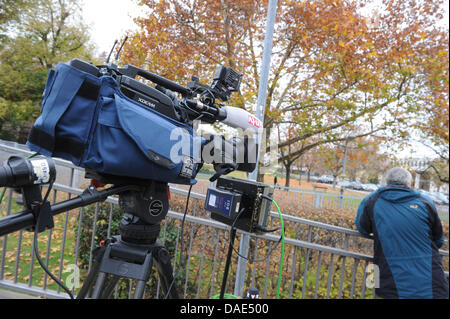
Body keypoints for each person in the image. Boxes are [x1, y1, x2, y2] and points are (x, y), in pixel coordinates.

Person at [355, 167, 448, 299]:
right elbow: (438, 240)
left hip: (390, 281)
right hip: (430, 282)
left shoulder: (372, 201)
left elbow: (363, 228)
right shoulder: (425, 202)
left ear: (387, 183)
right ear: (408, 183)